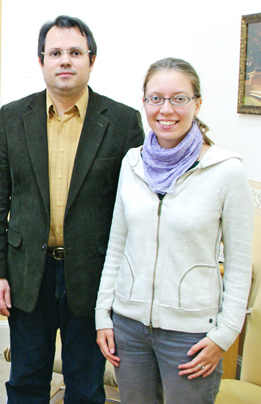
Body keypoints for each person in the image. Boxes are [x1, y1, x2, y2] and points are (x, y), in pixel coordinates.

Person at [0, 15, 144, 404]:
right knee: (25, 382)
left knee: (86, 387)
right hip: (27, 275)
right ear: (41, 62)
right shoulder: (13, 117)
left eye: (75, 52)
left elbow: (134, 209)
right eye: (55, 53)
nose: (65, 61)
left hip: (93, 274)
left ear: (92, 60)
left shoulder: (122, 122)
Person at [95, 57, 254, 404]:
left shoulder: (227, 171)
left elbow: (241, 266)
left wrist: (225, 335)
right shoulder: (132, 162)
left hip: (191, 335)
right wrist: (102, 316)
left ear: (197, 103)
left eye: (179, 98)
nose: (166, 109)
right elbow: (117, 246)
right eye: (156, 98)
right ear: (145, 103)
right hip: (129, 327)